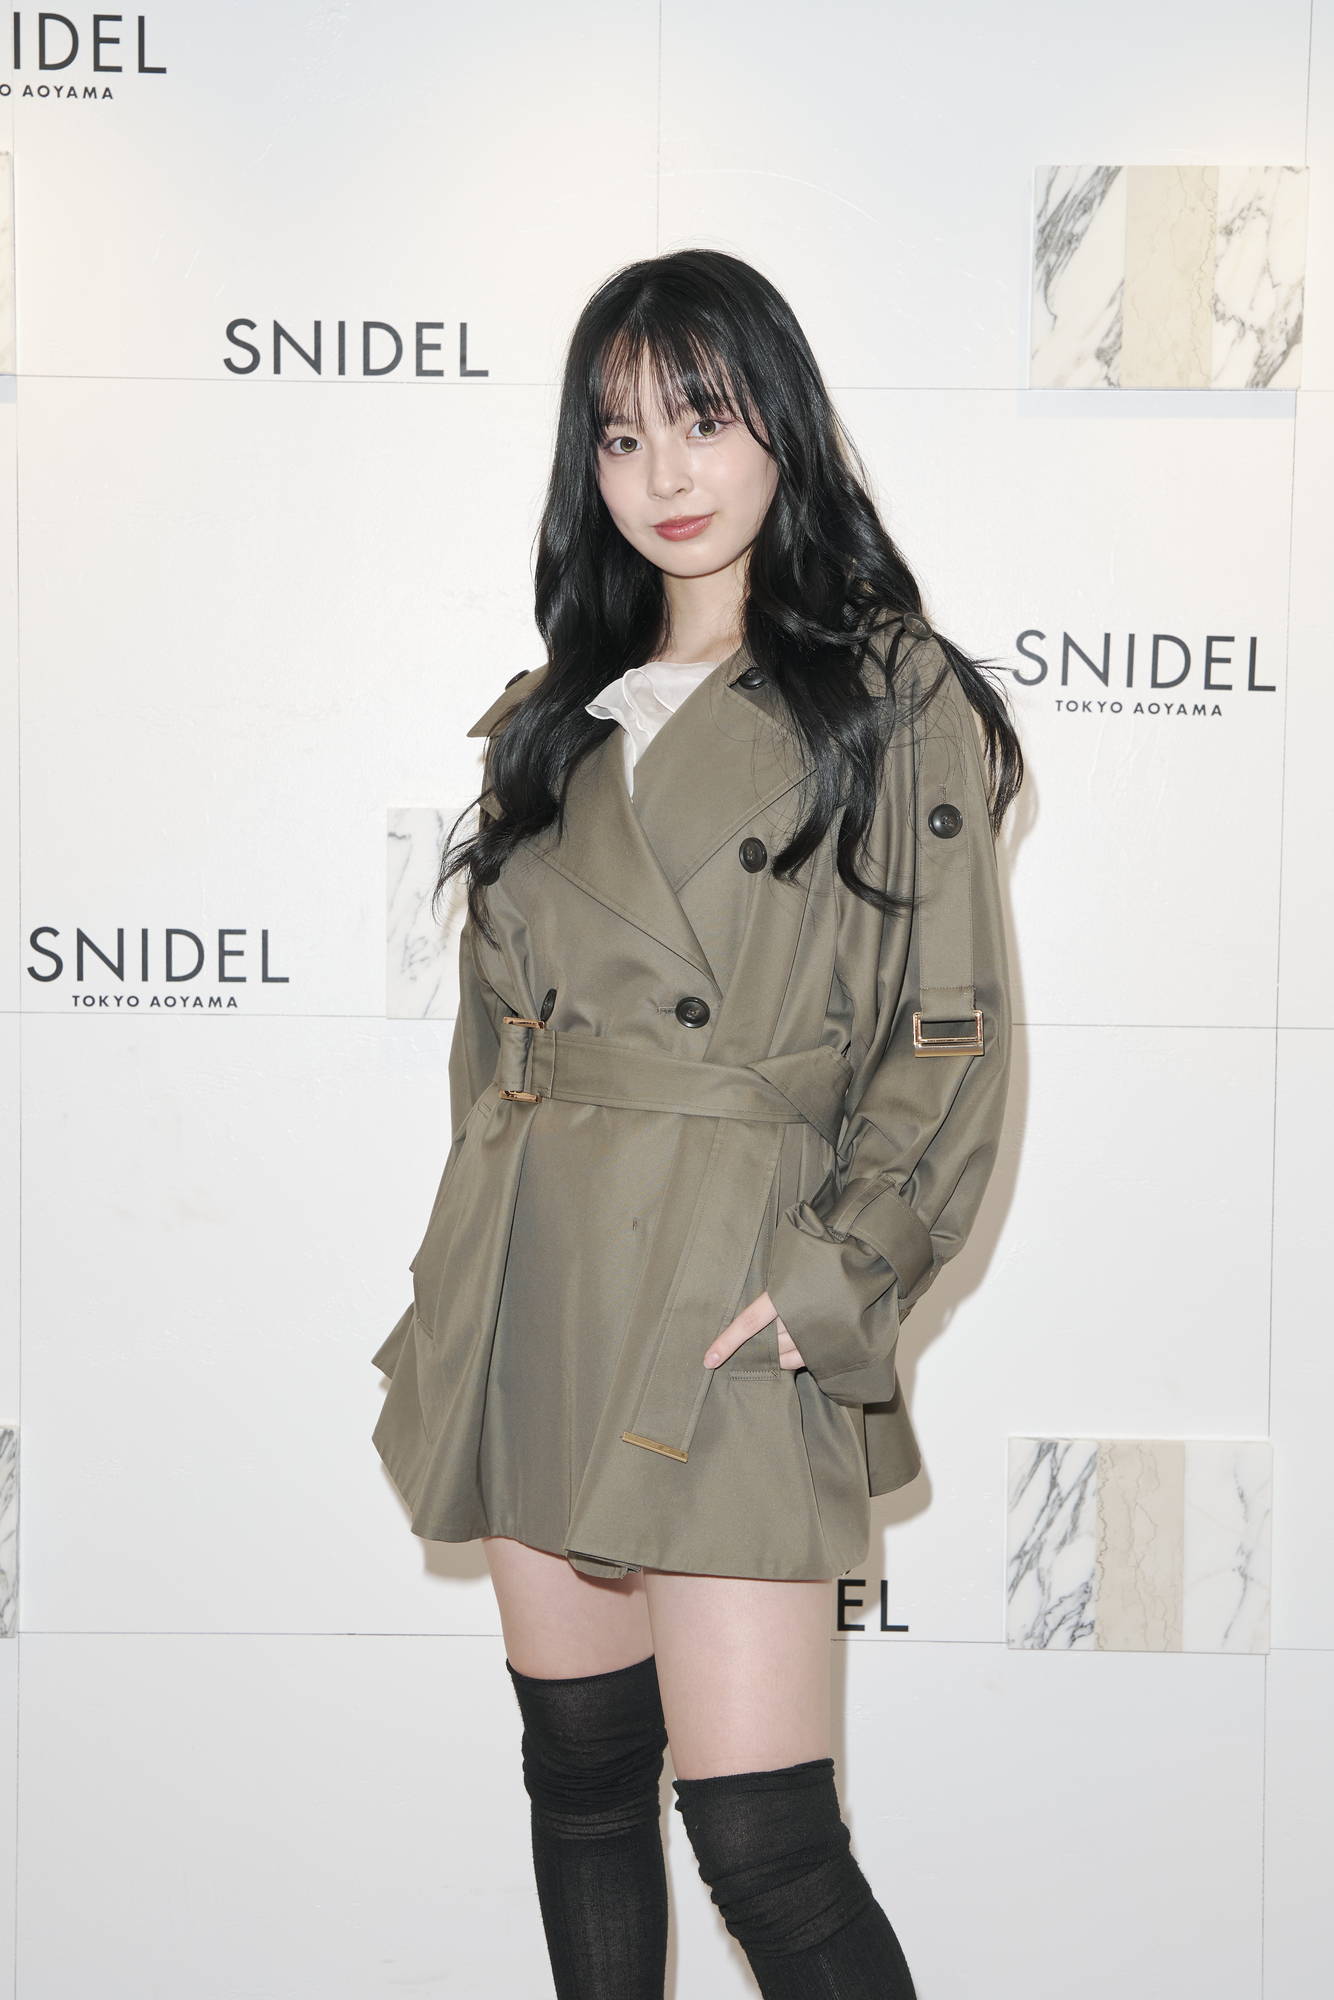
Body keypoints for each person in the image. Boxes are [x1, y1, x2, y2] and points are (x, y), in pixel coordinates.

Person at [371, 247, 1024, 1998]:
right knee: (582, 1781)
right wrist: (468, 1279)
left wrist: (836, 1277)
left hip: (736, 1290)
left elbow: (950, 1034)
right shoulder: (548, 726)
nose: (662, 471)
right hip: (541, 1285)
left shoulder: (885, 693)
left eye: (703, 417)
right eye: (618, 435)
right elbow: (489, 1055)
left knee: (765, 1847)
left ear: (780, 428)